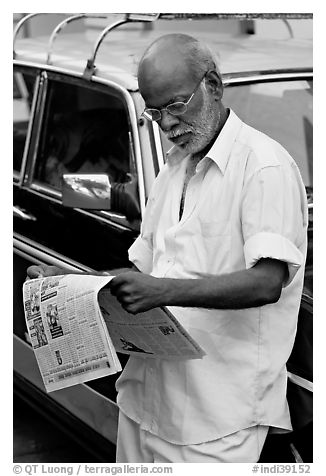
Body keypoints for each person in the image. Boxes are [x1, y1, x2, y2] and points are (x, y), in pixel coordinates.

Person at [27, 34, 308, 463]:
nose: (167, 123)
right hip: (144, 403)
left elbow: (268, 282)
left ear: (213, 85)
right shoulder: (170, 170)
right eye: (155, 113)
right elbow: (143, 274)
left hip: (215, 420)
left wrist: (160, 289)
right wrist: (70, 285)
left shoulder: (264, 166)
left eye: (176, 105)